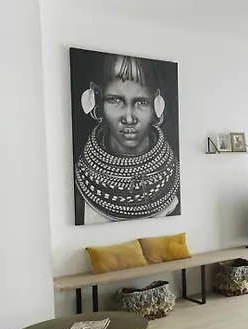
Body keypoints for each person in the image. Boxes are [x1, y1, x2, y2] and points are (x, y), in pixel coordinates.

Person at [73, 54, 180, 224]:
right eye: (115, 100)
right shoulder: (77, 196)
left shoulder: (177, 188)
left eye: (142, 102)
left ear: (156, 104)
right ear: (99, 101)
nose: (129, 119)